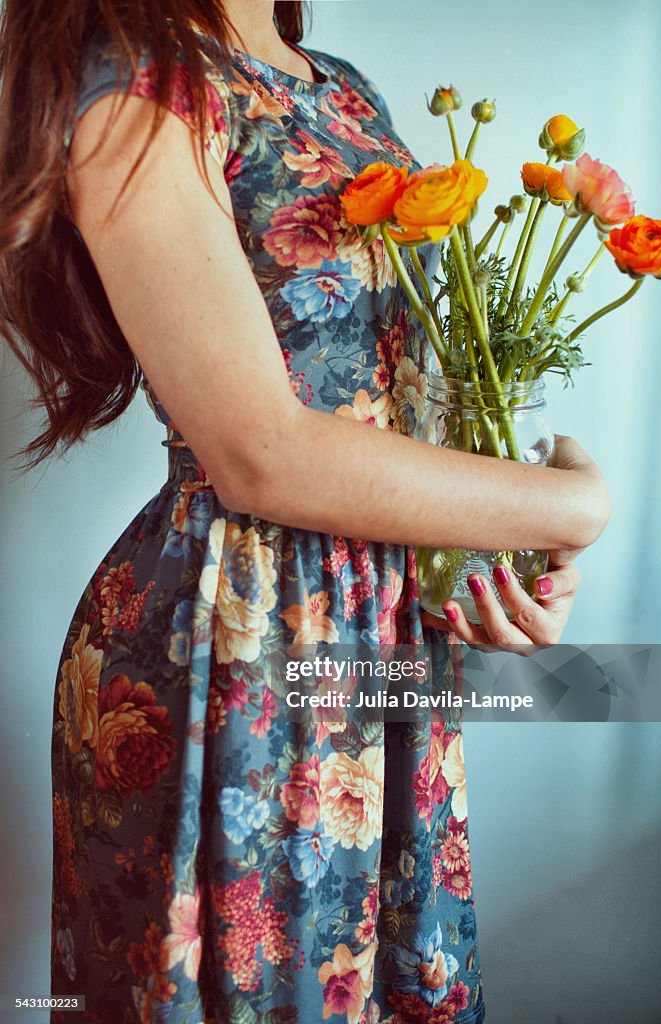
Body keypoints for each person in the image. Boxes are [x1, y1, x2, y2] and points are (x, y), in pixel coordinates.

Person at [0, 1, 610, 1021]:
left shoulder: (341, 88)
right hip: (229, 637)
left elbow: (405, 407)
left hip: (376, 635)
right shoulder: (140, 84)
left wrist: (502, 562)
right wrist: (572, 505)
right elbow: (258, 453)